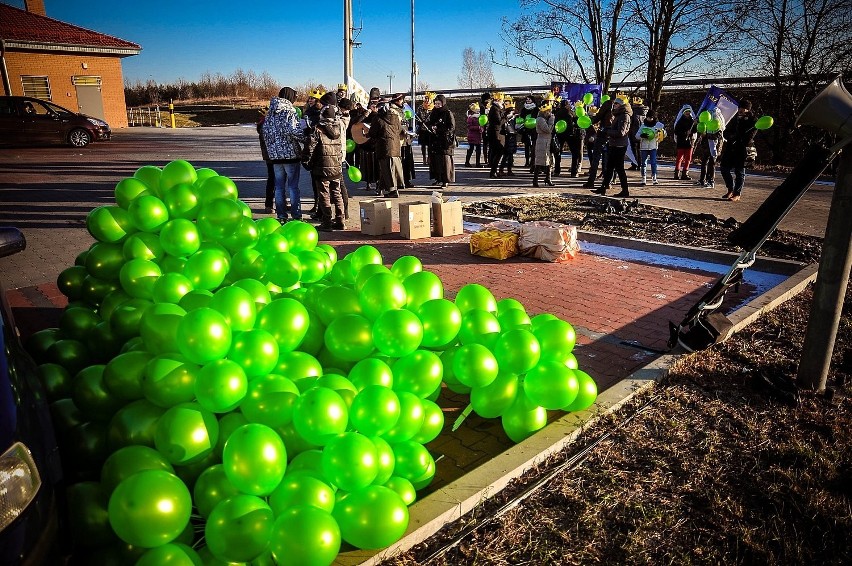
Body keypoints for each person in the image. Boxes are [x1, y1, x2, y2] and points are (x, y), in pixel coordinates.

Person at [261, 86, 304, 223]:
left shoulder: (270, 113)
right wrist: (306, 137)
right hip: (290, 155)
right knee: (293, 186)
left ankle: (281, 216)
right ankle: (296, 216)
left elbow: (265, 132)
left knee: (279, 187)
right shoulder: (289, 112)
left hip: (275, 157)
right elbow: (295, 131)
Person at [312, 104, 345, 230]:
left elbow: (311, 147)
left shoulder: (318, 129)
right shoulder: (338, 128)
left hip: (322, 167)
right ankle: (341, 220)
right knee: (337, 194)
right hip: (336, 167)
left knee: (324, 195)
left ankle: (326, 222)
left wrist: (307, 162)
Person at [592, 95, 633, 197]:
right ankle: (603, 187)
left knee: (619, 168)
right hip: (614, 144)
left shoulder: (624, 116)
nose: (614, 105)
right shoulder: (619, 115)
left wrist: (607, 131)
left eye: (616, 104)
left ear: (621, 105)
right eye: (614, 103)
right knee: (609, 167)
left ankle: (625, 190)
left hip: (619, 146)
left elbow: (621, 132)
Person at [368, 95, 405, 198]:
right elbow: (399, 130)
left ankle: (392, 191)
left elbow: (372, 133)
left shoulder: (378, 118)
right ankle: (384, 189)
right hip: (395, 147)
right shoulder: (396, 117)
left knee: (386, 170)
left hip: (384, 147)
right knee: (391, 170)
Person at [720, 100, 757, 202]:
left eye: (743, 108)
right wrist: (730, 137)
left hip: (743, 149)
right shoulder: (734, 117)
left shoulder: (753, 120)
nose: (740, 110)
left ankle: (737, 193)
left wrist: (739, 136)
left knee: (739, 172)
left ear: (748, 109)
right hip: (731, 146)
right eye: (739, 108)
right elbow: (726, 130)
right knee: (724, 168)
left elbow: (750, 136)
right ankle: (730, 189)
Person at [426, 94, 456, 188]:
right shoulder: (433, 112)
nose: (437, 105)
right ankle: (437, 178)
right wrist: (431, 127)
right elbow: (429, 123)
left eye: (439, 104)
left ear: (443, 103)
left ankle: (445, 180)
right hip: (435, 140)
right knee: (435, 160)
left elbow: (451, 127)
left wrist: (439, 129)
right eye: (436, 104)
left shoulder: (447, 113)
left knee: (445, 161)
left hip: (444, 141)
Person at [584, 99, 614, 189]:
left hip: (603, 134)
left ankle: (591, 181)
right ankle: (607, 182)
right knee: (608, 159)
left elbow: (598, 117)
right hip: (613, 135)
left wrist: (591, 121)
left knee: (596, 158)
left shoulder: (607, 104)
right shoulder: (623, 107)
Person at [696, 107, 725, 189]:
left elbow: (718, 134)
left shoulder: (716, 119)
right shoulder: (710, 117)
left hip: (714, 144)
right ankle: (702, 180)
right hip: (707, 143)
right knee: (705, 161)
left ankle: (710, 181)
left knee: (711, 162)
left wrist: (707, 135)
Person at [635, 109, 665, 186]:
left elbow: (664, 134)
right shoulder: (643, 125)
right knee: (643, 163)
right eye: (648, 117)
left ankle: (654, 177)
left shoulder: (658, 125)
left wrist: (661, 133)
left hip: (653, 147)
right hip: (644, 147)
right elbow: (637, 135)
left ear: (654, 118)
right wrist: (641, 136)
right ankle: (643, 178)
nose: (649, 119)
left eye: (651, 117)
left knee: (653, 163)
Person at [532, 93, 556, 188]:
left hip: (548, 141)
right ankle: (535, 180)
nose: (550, 113)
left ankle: (548, 178)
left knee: (550, 161)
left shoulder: (545, 118)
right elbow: (547, 130)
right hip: (542, 142)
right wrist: (551, 121)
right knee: (540, 161)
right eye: (548, 112)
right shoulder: (540, 119)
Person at [337, 98, 353, 219]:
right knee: (340, 185)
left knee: (339, 185)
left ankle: (344, 212)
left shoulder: (338, 121)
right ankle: (345, 212)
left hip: (336, 155)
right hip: (340, 154)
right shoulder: (345, 118)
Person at [256, 111, 275, 213]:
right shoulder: (267, 124)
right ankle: (269, 204)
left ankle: (273, 203)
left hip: (270, 156)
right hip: (273, 156)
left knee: (276, 180)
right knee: (273, 180)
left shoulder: (264, 123)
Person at [673, 104, 697, 180]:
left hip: (690, 142)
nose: (688, 113)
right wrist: (685, 133)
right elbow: (676, 131)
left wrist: (696, 125)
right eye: (686, 111)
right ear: (683, 112)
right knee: (679, 158)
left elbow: (695, 130)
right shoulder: (680, 121)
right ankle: (676, 173)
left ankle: (685, 173)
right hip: (681, 142)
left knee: (688, 158)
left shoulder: (692, 121)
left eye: (689, 111)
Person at [487, 92, 506, 179]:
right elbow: (498, 121)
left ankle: (494, 171)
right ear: (498, 100)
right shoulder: (495, 109)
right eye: (502, 100)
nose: (503, 102)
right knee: (498, 151)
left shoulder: (497, 108)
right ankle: (493, 171)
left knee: (497, 152)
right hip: (495, 132)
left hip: (497, 132)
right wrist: (507, 117)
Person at [552, 98, 573, 176]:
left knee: (558, 151)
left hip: (559, 133)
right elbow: (571, 124)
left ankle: (557, 170)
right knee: (574, 152)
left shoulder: (557, 113)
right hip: (568, 134)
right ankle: (574, 171)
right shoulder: (569, 113)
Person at [565, 102, 586, 178]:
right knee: (575, 154)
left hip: (579, 136)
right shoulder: (573, 117)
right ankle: (574, 170)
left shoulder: (582, 117)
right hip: (574, 136)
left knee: (577, 153)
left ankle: (576, 169)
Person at [500, 95, 518, 176]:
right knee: (507, 154)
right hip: (508, 136)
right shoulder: (505, 117)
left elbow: (516, 126)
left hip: (512, 136)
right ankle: (502, 169)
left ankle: (508, 169)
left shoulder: (514, 118)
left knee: (510, 155)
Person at [628, 96, 648, 170]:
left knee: (634, 149)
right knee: (641, 149)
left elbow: (631, 122)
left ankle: (635, 164)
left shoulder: (633, 112)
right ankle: (641, 164)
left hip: (634, 132)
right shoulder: (646, 111)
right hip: (643, 132)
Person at [416, 92, 435, 165]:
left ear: (431, 100)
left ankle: (429, 158)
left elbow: (434, 118)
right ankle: (424, 157)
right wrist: (420, 121)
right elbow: (417, 116)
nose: (426, 100)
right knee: (423, 145)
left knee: (430, 145)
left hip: (430, 129)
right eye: (425, 98)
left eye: (428, 99)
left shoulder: (433, 108)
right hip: (422, 129)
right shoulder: (421, 107)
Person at [519, 94, 538, 168]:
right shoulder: (524, 109)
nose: (527, 101)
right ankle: (527, 161)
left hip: (533, 129)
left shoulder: (535, 109)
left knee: (533, 146)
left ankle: (532, 162)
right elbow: (521, 117)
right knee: (527, 146)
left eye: (529, 99)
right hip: (526, 129)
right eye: (527, 99)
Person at [465, 102, 483, 167]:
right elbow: (469, 127)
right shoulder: (471, 118)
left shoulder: (479, 117)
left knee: (478, 150)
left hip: (477, 135)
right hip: (472, 136)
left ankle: (478, 163)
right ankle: (467, 162)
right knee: (471, 149)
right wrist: (478, 127)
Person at [479, 92, 492, 163]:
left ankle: (490, 158)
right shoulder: (482, 107)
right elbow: (482, 117)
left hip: (490, 127)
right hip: (485, 127)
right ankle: (486, 158)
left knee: (490, 144)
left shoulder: (491, 106)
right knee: (485, 144)